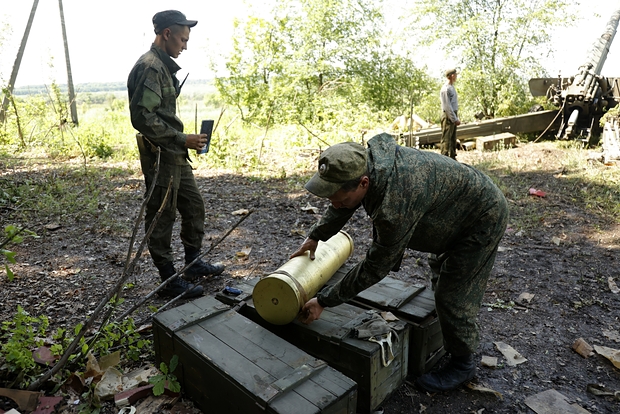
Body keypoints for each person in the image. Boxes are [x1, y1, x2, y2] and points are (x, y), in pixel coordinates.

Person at [291, 133, 508, 393]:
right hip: (455, 208)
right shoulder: (367, 165)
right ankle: (448, 328)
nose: (335, 204)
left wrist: (324, 300)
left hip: (481, 218)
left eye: (339, 198)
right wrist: (316, 236)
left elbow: (376, 266)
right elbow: (342, 202)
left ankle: (463, 364)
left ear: (363, 183)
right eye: (330, 198)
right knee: (442, 277)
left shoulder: (395, 204)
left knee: (453, 294)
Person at [127, 10, 224, 298]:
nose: (185, 45)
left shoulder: (162, 66)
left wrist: (182, 141)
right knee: (162, 214)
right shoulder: (151, 67)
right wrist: (183, 138)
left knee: (194, 206)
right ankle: (168, 280)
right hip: (161, 155)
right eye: (182, 39)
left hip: (175, 153)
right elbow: (143, 117)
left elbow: (161, 115)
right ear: (166, 34)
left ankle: (193, 264)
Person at [440, 68, 461, 159]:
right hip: (448, 115)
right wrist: (454, 119)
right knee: (446, 139)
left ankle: (452, 157)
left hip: (452, 114)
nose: (456, 76)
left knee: (452, 138)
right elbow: (447, 106)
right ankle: (444, 159)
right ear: (452, 76)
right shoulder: (445, 89)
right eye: (455, 75)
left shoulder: (451, 87)